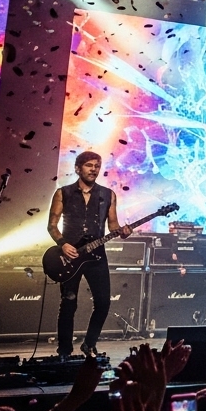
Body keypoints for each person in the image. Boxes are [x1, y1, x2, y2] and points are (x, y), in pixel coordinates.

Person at [47, 151, 126, 360]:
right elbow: (52, 225)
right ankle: (64, 351)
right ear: (77, 168)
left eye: (97, 166)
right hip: (71, 255)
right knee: (69, 302)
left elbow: (113, 226)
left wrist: (123, 232)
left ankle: (89, 344)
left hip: (97, 255)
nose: (93, 169)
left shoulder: (108, 195)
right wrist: (63, 244)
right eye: (89, 165)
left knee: (103, 302)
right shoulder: (63, 193)